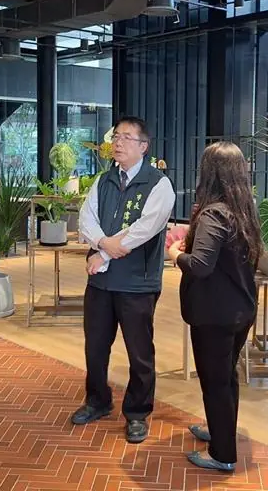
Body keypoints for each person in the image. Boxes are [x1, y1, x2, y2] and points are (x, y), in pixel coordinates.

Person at [73, 116, 176, 444]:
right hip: (100, 283)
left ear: (143, 146)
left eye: (126, 138)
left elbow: (146, 228)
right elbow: (86, 219)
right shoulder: (103, 180)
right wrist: (104, 244)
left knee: (139, 352)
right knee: (95, 346)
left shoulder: (158, 184)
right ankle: (97, 401)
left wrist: (102, 253)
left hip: (137, 284)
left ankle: (137, 412)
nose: (118, 143)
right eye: (116, 136)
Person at [166, 141, 260, 473]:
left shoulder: (213, 213)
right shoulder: (243, 210)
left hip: (215, 314)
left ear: (209, 172)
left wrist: (175, 253)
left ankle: (223, 453)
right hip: (240, 309)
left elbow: (201, 265)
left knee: (215, 382)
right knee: (226, 377)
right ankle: (221, 431)